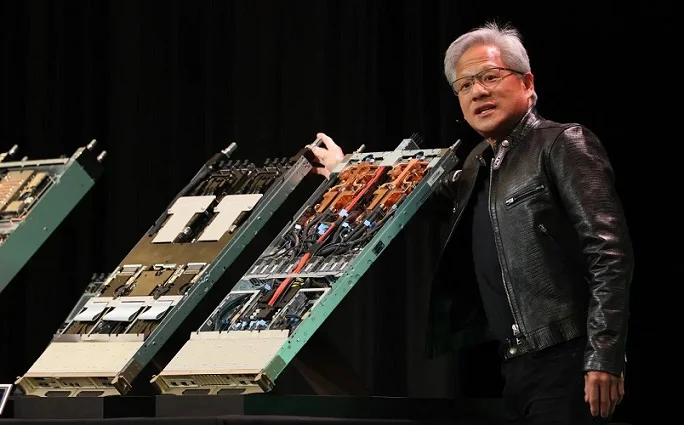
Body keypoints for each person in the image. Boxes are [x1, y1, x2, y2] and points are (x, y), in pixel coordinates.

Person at [307, 21, 633, 425]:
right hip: (515, 365)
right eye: (464, 85)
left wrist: (603, 353)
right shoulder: (479, 163)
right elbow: (416, 197)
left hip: (568, 357)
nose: (477, 91)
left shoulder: (562, 143)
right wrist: (345, 171)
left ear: (527, 82)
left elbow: (609, 254)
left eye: (490, 77)